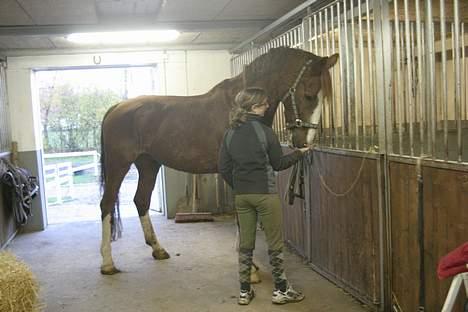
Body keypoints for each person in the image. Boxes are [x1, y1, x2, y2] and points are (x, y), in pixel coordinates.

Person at [218, 87, 311, 305]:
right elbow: (279, 164)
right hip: (265, 195)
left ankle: (243, 292)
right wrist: (300, 153)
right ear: (254, 107)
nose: (268, 106)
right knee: (274, 243)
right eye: (264, 103)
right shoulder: (265, 132)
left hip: (242, 196)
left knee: (246, 244)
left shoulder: (229, 132)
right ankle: (280, 291)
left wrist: (240, 185)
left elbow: (223, 167)